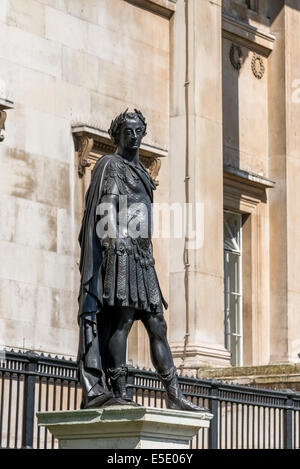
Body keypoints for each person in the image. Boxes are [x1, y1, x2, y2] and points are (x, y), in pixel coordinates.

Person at [77, 109, 205, 411]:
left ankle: (174, 394)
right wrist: (114, 242)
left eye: (138, 131)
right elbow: (106, 207)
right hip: (121, 254)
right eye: (128, 131)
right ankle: (119, 390)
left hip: (144, 257)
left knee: (157, 323)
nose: (134, 136)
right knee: (121, 321)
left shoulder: (143, 173)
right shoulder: (112, 166)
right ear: (117, 135)